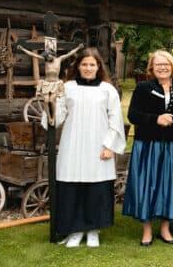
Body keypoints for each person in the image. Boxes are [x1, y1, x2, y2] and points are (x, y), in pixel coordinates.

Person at [52, 48, 126, 248]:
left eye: (92, 64)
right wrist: (49, 101)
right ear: (78, 66)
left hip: (98, 144)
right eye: (84, 64)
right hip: (73, 143)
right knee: (72, 185)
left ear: (98, 67)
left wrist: (110, 145)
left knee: (97, 188)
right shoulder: (67, 88)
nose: (88, 68)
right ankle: (74, 231)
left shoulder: (107, 90)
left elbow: (115, 119)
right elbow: (56, 118)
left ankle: (93, 230)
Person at [123, 50, 173, 246]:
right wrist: (156, 119)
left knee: (169, 186)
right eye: (158, 64)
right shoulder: (142, 88)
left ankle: (165, 229)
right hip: (147, 144)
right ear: (151, 68)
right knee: (147, 185)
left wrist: (172, 121)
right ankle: (146, 230)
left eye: (166, 64)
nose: (162, 67)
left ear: (172, 67)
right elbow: (133, 115)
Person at [18, 43, 83, 126]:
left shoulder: (59, 59)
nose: (48, 58)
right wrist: (23, 49)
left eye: (49, 56)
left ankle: (53, 118)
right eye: (47, 57)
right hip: (46, 84)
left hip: (56, 84)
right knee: (46, 101)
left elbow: (69, 54)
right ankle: (49, 117)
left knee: (52, 100)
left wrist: (78, 47)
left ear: (52, 55)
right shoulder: (46, 60)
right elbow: (33, 55)